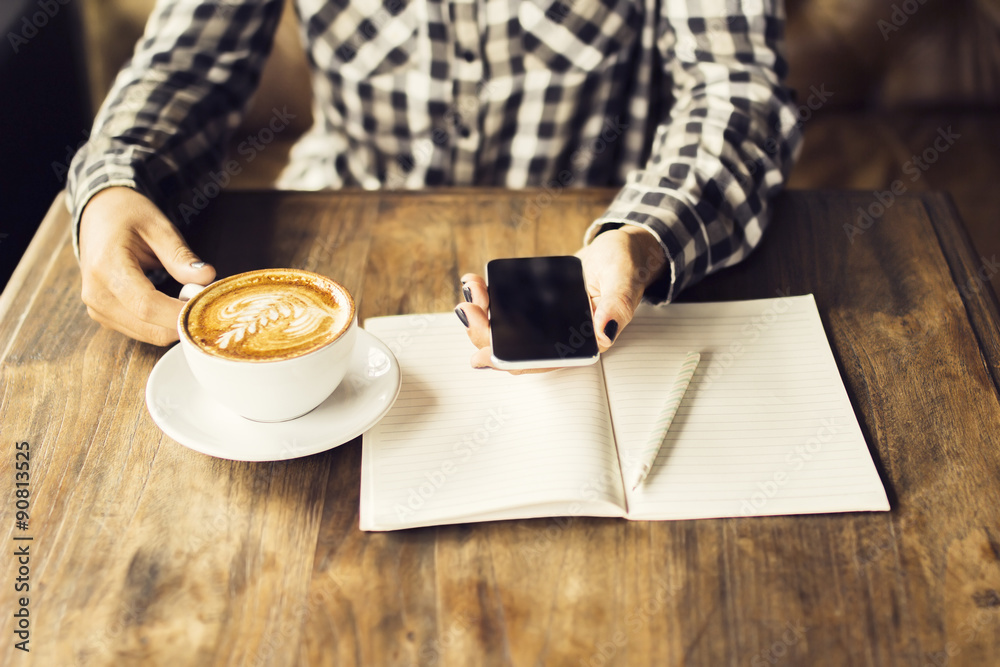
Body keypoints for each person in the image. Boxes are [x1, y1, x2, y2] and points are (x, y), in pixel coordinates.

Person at [68, 0, 802, 368]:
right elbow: (182, 66)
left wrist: (644, 235)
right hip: (339, 245)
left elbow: (736, 89)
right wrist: (111, 183)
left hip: (596, 260)